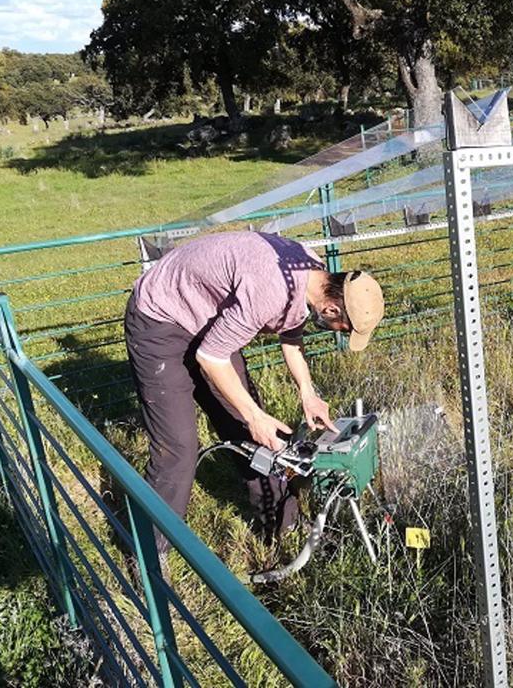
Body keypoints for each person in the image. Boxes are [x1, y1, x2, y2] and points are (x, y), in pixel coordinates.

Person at [123, 230, 384, 552]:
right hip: (160, 319)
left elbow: (291, 335)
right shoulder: (270, 289)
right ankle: (150, 556)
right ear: (331, 310)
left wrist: (308, 393)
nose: (337, 334)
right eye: (342, 330)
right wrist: (255, 415)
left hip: (210, 322)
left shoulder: (309, 272)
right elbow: (211, 357)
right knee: (178, 448)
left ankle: (284, 526)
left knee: (255, 433)